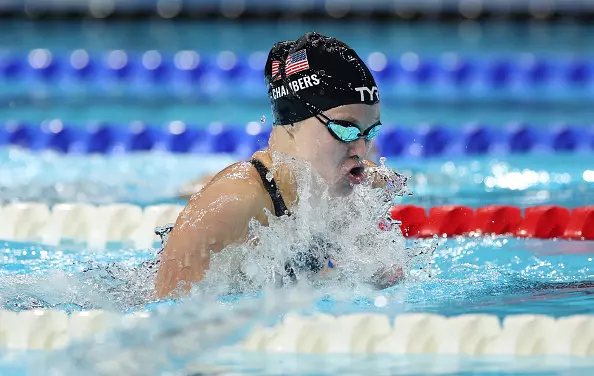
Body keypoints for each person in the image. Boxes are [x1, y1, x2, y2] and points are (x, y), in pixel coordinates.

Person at [155, 32, 404, 299]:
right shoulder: (233, 203)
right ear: (293, 124)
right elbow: (164, 313)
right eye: (345, 130)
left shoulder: (346, 182)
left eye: (369, 133)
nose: (361, 150)